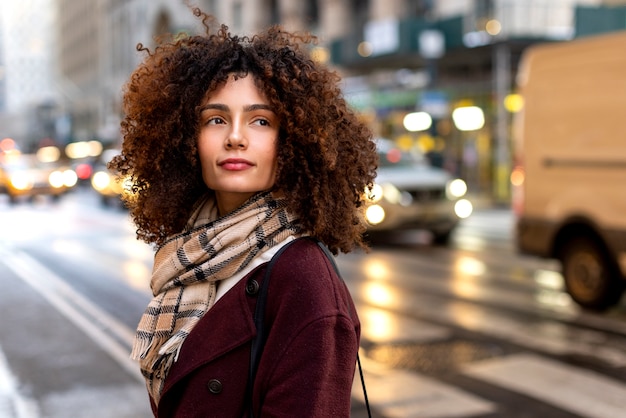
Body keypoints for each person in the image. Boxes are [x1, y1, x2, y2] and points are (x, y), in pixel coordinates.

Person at [109, 7, 377, 417]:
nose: (235, 137)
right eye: (216, 119)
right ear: (186, 138)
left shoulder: (303, 281)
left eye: (260, 121)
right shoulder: (188, 256)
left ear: (293, 140)